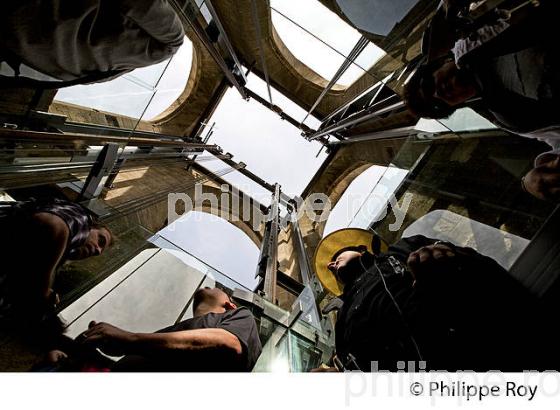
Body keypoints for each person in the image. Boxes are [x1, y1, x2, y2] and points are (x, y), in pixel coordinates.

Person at [313, 228, 550, 372]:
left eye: (337, 256)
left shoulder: (401, 250)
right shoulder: (343, 325)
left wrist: (451, 260)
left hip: (494, 351)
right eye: (332, 266)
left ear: (363, 250)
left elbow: (480, 267)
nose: (332, 264)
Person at [403, 0, 560, 201]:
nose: (438, 94)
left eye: (428, 85)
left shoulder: (472, 35)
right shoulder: (508, 115)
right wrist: (532, 179)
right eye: (437, 104)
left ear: (437, 65)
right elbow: (554, 136)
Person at [73, 287, 262, 372]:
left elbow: (228, 345)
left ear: (230, 305)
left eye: (220, 289)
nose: (211, 286)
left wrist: (128, 340)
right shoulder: (175, 331)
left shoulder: (242, 316)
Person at [0, 198, 112, 330]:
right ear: (93, 226)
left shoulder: (48, 256)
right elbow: (53, 225)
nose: (98, 250)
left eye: (98, 252)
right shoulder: (82, 219)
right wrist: (44, 290)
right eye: (101, 240)